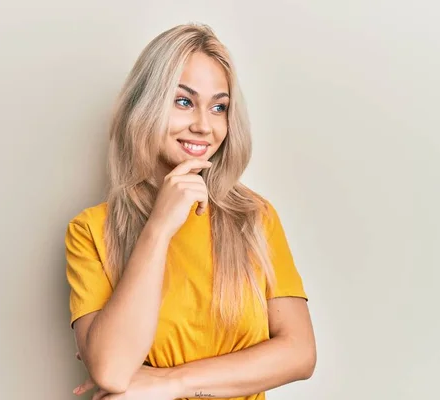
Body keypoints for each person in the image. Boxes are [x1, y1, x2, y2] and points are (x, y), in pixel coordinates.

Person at [65, 23, 316, 400]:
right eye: (183, 101)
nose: (203, 125)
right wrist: (160, 227)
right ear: (144, 105)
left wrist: (171, 382)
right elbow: (113, 370)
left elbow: (299, 353)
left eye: (219, 107)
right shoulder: (90, 230)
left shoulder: (253, 218)